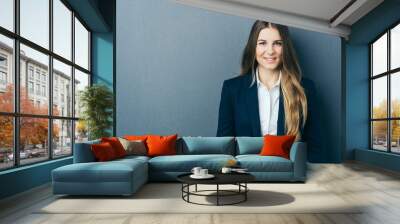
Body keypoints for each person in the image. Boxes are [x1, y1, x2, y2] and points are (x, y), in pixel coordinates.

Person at [216, 20, 323, 162]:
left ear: (286, 47)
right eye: (262, 43)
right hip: (244, 176)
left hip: (289, 177)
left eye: (278, 43)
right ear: (253, 47)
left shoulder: (305, 88)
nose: (270, 50)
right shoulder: (232, 89)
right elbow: (224, 146)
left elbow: (316, 148)